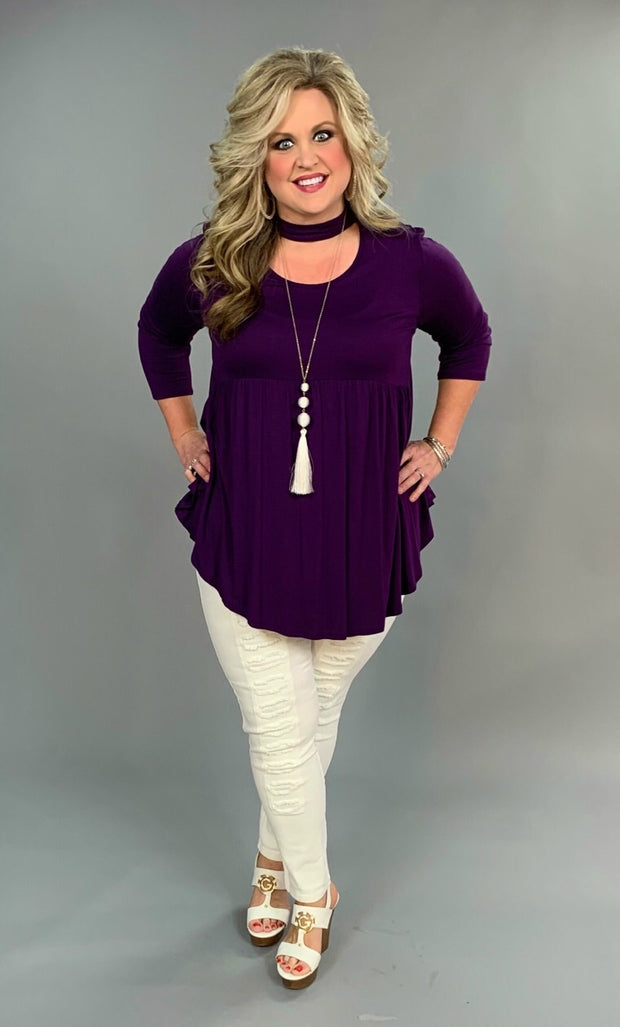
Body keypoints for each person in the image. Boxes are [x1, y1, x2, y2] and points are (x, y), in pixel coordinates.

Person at [137, 47, 492, 990]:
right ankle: (311, 892)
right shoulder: (216, 259)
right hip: (246, 531)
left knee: (302, 721)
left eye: (321, 134)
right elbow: (158, 331)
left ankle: (268, 857)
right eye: (282, 140)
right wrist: (184, 432)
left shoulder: (411, 262)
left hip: (360, 534)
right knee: (282, 727)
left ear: (352, 143)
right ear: (256, 156)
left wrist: (438, 444)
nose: (305, 158)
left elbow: (469, 337)